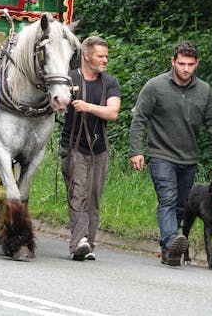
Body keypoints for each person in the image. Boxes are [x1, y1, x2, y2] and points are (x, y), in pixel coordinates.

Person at [129, 41, 212, 266]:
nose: (186, 69)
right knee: (167, 199)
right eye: (182, 63)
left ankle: (169, 250)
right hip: (161, 154)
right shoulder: (155, 87)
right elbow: (139, 120)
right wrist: (136, 151)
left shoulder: (204, 90)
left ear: (197, 64)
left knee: (181, 205)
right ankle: (171, 240)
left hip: (188, 157)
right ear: (173, 62)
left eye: (191, 64)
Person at [60, 36, 121, 261]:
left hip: (99, 149)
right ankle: (79, 242)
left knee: (93, 197)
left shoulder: (110, 83)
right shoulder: (69, 78)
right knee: (78, 194)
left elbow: (113, 112)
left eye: (106, 56)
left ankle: (88, 244)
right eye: (100, 56)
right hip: (73, 147)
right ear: (87, 56)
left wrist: (88, 107)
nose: (105, 60)